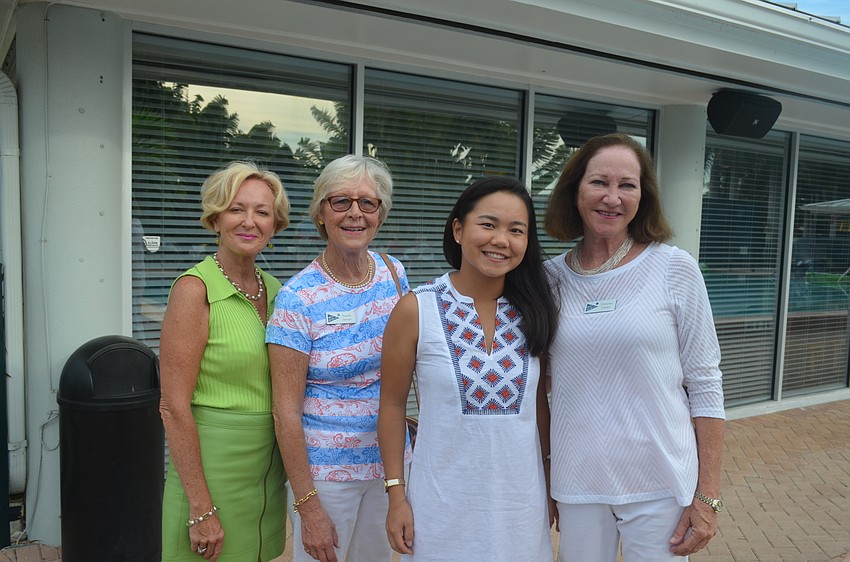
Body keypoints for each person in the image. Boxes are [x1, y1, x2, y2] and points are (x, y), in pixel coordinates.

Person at [543, 133, 725, 561]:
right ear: (575, 191)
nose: (612, 197)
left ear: (644, 197)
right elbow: (539, 383)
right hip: (578, 481)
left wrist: (708, 497)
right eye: (598, 183)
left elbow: (705, 383)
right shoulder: (547, 280)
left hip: (659, 481)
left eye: (627, 184)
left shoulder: (673, 268)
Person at [378, 177, 558, 561]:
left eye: (516, 230)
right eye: (488, 224)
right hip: (439, 508)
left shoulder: (537, 311)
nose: (501, 240)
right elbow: (392, 407)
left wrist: (550, 481)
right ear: (459, 229)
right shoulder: (416, 309)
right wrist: (396, 494)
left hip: (519, 509)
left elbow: (539, 407)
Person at [266, 154, 409, 562]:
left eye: (368, 202)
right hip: (327, 474)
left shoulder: (393, 272)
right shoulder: (298, 298)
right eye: (340, 201)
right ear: (321, 212)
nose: (355, 214)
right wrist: (308, 506)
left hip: (387, 464)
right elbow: (285, 412)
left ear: (380, 214)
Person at [160, 161, 291, 561]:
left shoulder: (277, 290)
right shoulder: (194, 290)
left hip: (268, 476)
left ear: (275, 225)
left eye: (262, 212)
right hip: (212, 475)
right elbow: (173, 406)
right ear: (216, 217)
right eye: (237, 209)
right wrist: (201, 506)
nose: (249, 221)